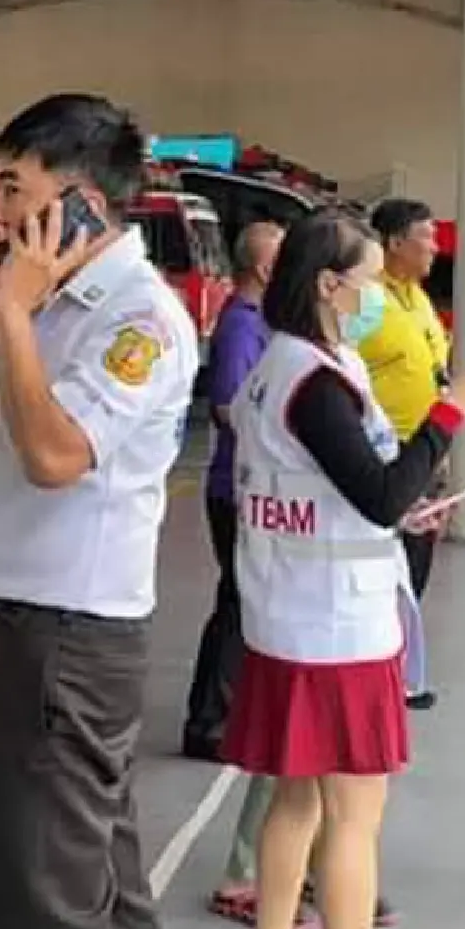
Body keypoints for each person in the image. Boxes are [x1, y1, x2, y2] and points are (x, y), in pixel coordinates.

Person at [0, 93, 197, 929]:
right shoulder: (50, 296)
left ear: (82, 200)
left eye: (12, 189)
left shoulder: (137, 319)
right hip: (32, 625)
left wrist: (13, 312)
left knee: (44, 894)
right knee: (99, 878)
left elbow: (54, 458)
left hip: (68, 636)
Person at [225, 211, 465, 929]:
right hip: (334, 629)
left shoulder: (287, 365)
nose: (376, 295)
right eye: (369, 281)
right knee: (353, 817)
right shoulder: (313, 378)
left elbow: (342, 488)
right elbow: (377, 491)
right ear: (327, 283)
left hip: (292, 614)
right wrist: (452, 409)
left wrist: (396, 511)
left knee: (297, 800)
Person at [182, 219, 284, 763]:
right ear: (266, 268)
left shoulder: (264, 323)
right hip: (236, 489)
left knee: (241, 601)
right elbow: (228, 406)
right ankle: (210, 720)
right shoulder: (243, 328)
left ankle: (225, 712)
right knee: (237, 604)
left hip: (250, 486)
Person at [357, 197, 451, 713]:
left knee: (415, 567)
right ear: (394, 243)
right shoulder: (369, 301)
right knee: (381, 569)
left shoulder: (418, 300)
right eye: (426, 237)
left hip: (426, 454)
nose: (435, 248)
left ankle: (399, 669)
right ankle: (377, 668)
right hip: (382, 455)